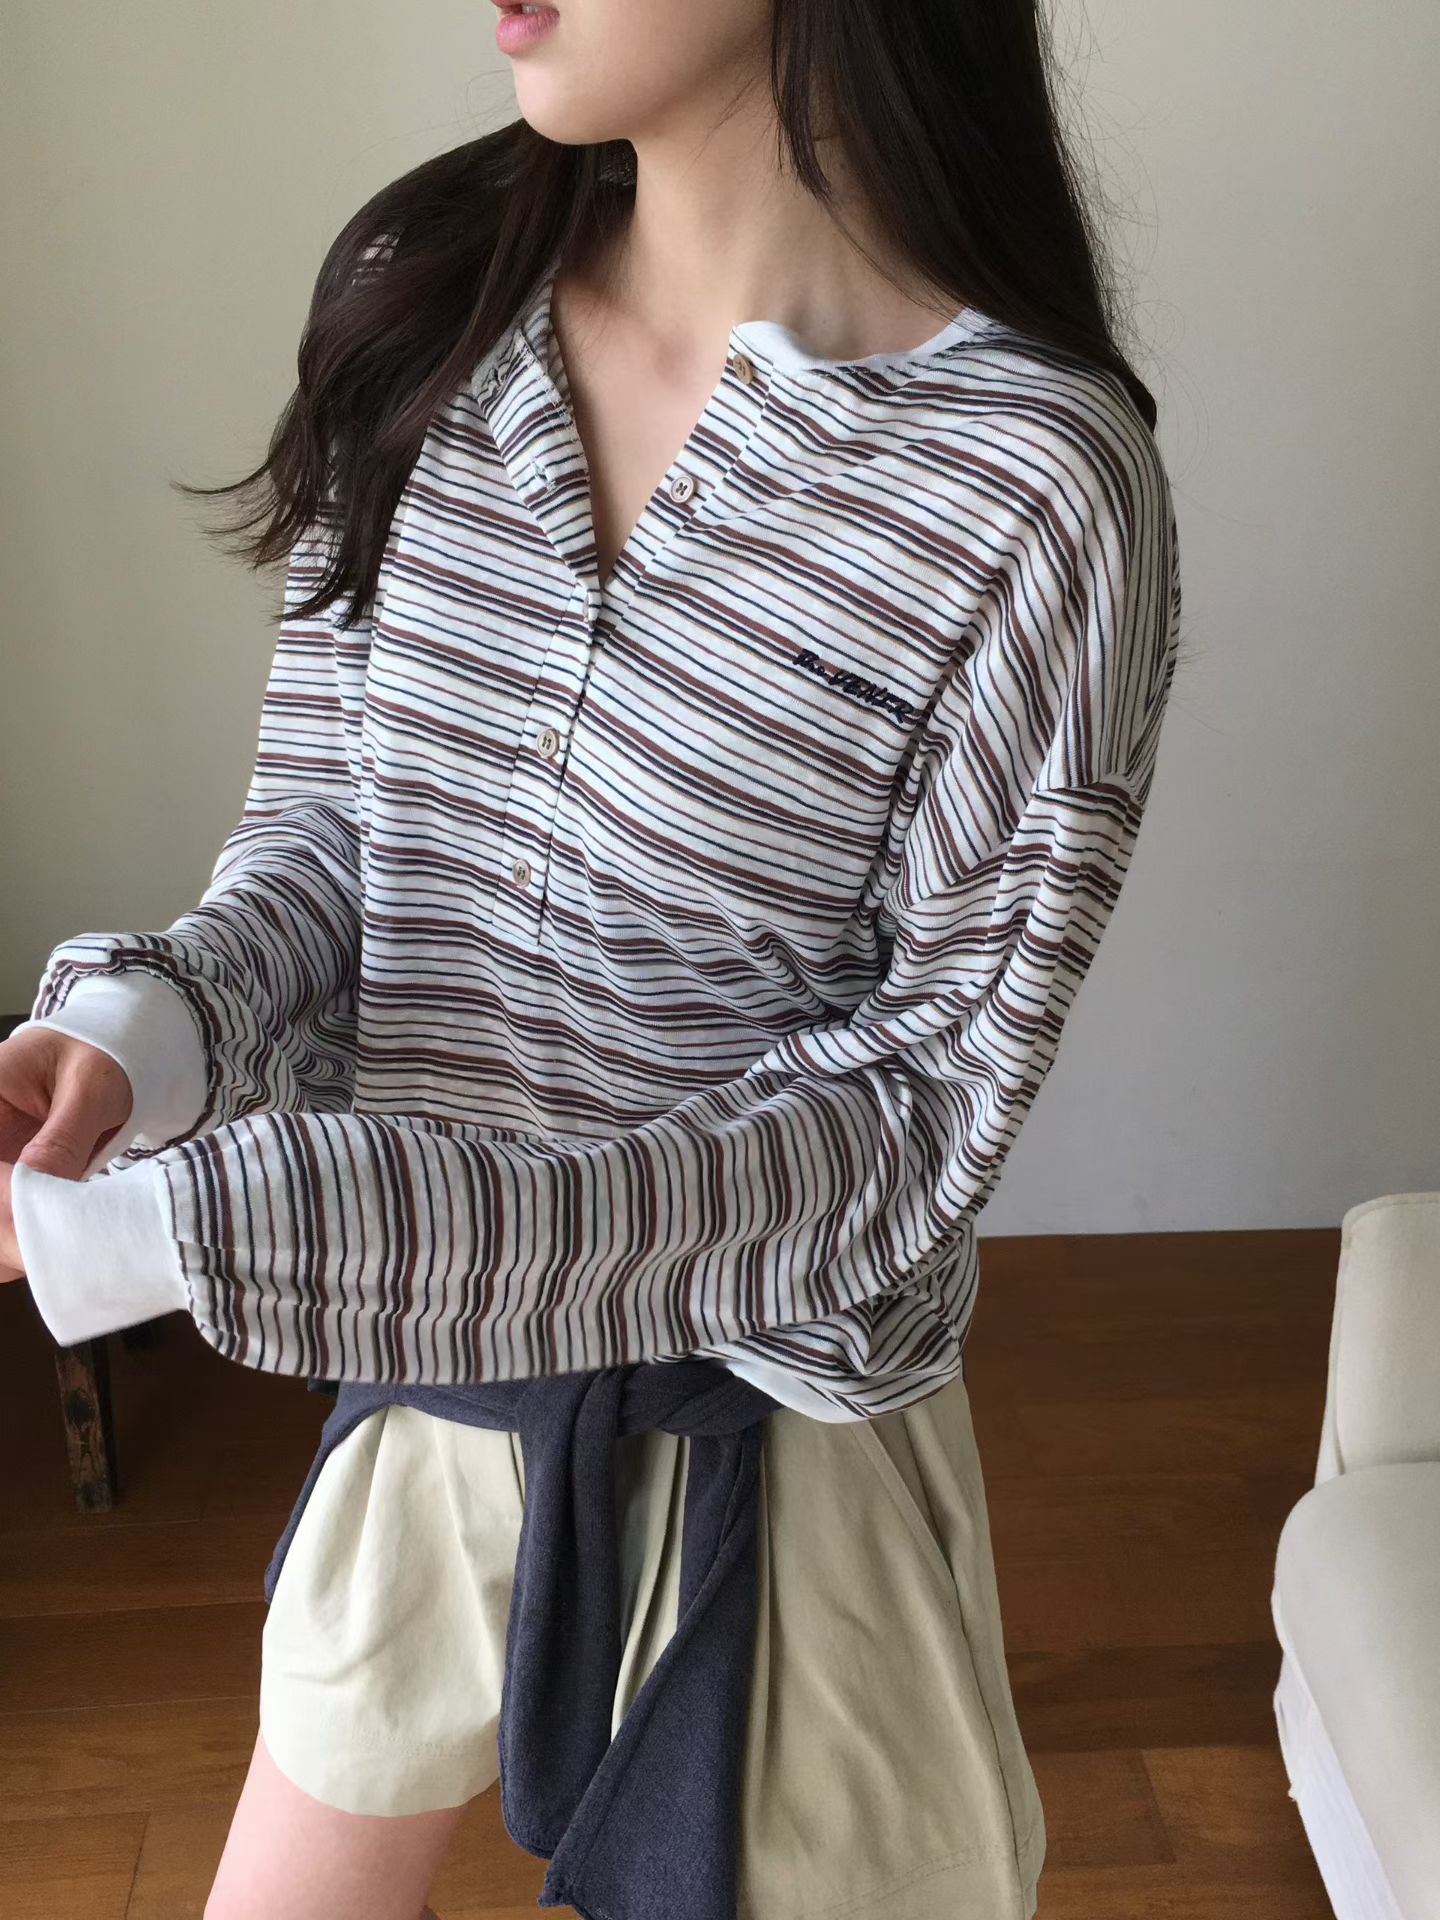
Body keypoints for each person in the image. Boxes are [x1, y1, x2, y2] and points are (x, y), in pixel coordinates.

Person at [0, 1, 1185, 1916]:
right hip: (433, 1373)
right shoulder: (432, 299)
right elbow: (334, 840)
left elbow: (907, 1125)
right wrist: (140, 1038)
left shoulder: (1035, 485)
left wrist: (219, 1225)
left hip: (774, 1450)